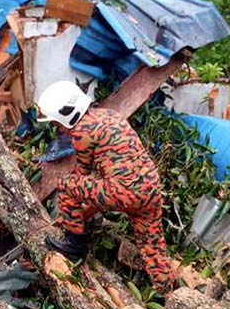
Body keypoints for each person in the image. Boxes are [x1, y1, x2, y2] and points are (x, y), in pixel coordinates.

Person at [36, 80, 176, 294]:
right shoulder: (110, 115)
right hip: (150, 188)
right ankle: (170, 293)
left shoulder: (81, 133)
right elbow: (101, 190)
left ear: (65, 115)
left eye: (57, 124)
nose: (59, 129)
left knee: (67, 184)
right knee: (152, 244)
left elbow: (82, 178)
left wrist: (71, 217)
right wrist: (81, 214)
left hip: (124, 191)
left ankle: (75, 246)